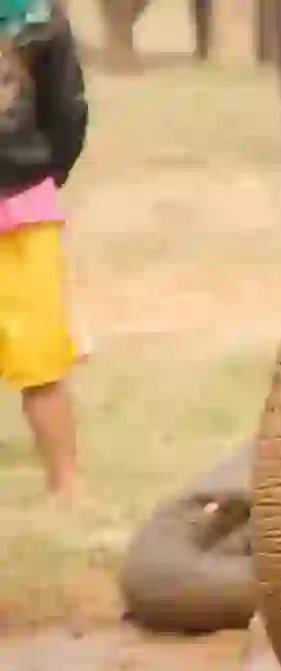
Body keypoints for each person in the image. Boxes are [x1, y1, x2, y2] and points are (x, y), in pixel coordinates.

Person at [0, 0, 89, 502]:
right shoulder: (38, 13)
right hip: (23, 201)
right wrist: (39, 176)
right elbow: (67, 113)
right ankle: (67, 483)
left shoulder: (39, 17)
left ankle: (67, 482)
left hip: (22, 204)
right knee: (42, 361)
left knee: (42, 360)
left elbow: (66, 113)